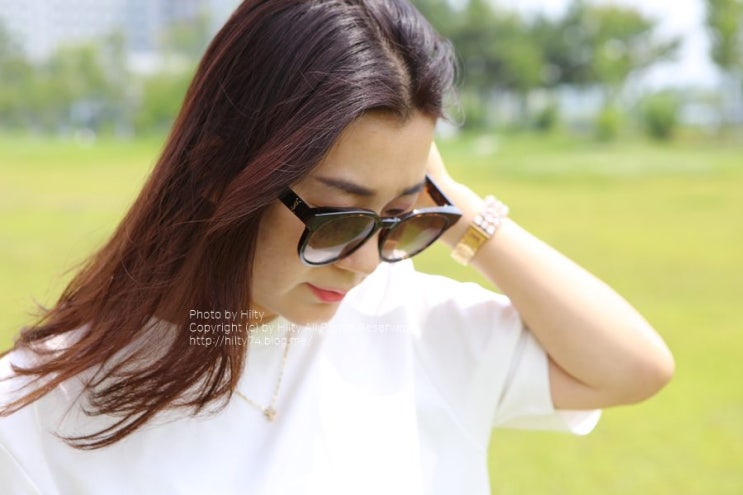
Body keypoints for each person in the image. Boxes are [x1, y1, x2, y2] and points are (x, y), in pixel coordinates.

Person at [0, 0, 674, 493]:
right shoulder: (36, 415)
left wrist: (457, 209)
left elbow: (631, 367)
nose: (365, 262)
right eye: (337, 217)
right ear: (219, 170)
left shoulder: (401, 322)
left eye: (397, 218)